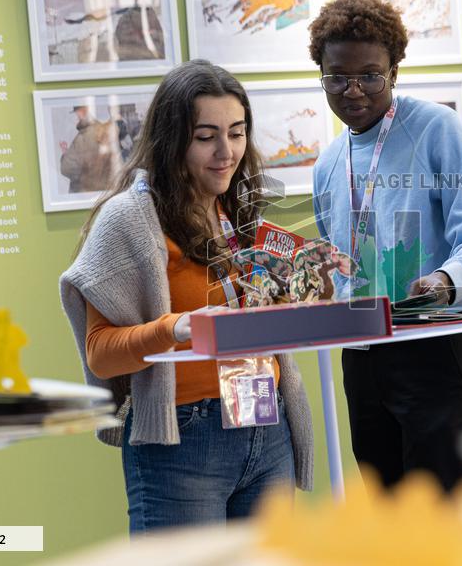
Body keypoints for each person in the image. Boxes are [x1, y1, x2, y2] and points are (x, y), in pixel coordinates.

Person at [60, 60, 313, 533]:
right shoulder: (129, 220)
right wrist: (176, 328)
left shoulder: (240, 211)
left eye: (237, 133)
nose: (227, 151)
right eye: (206, 137)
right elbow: (101, 354)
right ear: (173, 138)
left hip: (264, 418)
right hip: (182, 437)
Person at [309, 0, 462, 493]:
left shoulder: (436, 128)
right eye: (337, 76)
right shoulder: (327, 163)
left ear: (394, 72)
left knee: (444, 517)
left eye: (370, 76)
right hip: (363, 356)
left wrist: (445, 280)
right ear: (322, 73)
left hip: (438, 350)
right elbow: (338, 260)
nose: (353, 91)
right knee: (387, 520)